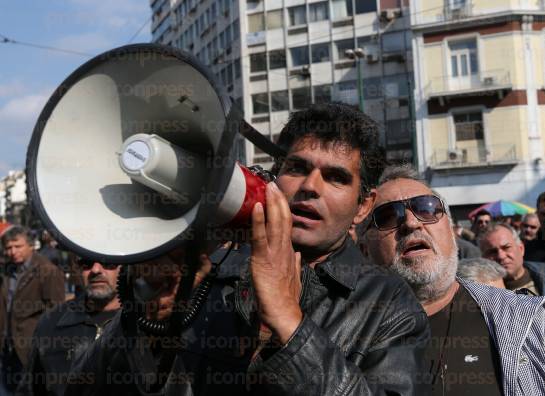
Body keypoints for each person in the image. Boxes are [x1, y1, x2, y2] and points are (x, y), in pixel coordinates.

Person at [65, 103, 430, 395]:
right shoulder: (214, 271)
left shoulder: (388, 306)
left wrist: (290, 324)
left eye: (335, 177)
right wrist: (144, 320)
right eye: (297, 167)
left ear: (363, 205)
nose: (310, 187)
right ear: (274, 177)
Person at [363, 164, 545, 395]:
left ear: (452, 232)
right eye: (388, 216)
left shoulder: (531, 320)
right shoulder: (342, 335)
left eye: (426, 208)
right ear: (364, 248)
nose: (411, 223)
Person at [16, 257, 120, 396]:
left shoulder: (144, 320)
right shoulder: (52, 321)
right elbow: (30, 388)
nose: (95, 270)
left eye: (108, 262)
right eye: (87, 263)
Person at [0, 227, 65, 393]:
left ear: (30, 246)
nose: (13, 251)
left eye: (18, 246)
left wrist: (44, 348)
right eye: (8, 247)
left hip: (30, 350)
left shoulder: (47, 270)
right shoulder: (7, 269)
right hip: (7, 349)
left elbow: (56, 312)